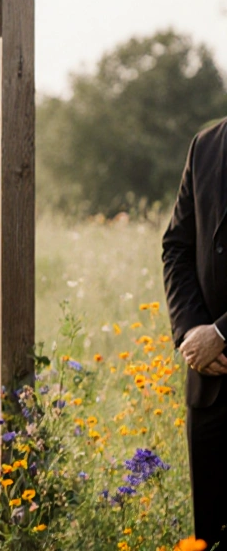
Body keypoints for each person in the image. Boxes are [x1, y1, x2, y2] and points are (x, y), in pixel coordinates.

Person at [162, 120, 227, 547]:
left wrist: (223, 332)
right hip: (211, 386)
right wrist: (192, 331)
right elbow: (177, 248)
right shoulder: (205, 144)